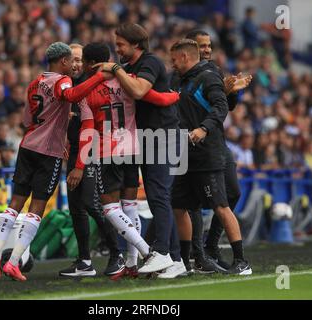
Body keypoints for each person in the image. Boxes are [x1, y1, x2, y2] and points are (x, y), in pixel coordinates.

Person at [0, 42, 112, 281]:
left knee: (15, 202)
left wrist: (60, 115)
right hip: (48, 151)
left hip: (27, 146)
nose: (73, 65)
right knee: (37, 207)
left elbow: (26, 119)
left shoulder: (34, 82)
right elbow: (71, 94)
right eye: (70, 60)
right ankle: (13, 263)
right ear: (63, 61)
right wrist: (99, 78)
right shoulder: (62, 80)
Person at [70, 42, 180, 279]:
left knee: (110, 208)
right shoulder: (127, 79)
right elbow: (156, 99)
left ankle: (147, 253)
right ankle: (131, 264)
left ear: (90, 64)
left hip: (107, 151)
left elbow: (87, 130)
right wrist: (174, 97)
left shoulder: (86, 91)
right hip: (132, 148)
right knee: (129, 206)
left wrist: (79, 165)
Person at [98, 23, 184, 278]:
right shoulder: (131, 67)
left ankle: (161, 252)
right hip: (147, 138)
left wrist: (115, 69)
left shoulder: (150, 62)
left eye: (121, 44)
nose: (117, 49)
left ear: (136, 44)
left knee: (158, 196)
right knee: (159, 197)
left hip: (163, 135)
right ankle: (176, 260)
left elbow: (137, 90)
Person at [169, 39, 252, 275]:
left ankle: (241, 261)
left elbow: (221, 107)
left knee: (221, 206)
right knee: (179, 207)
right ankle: (184, 263)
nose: (172, 63)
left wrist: (203, 129)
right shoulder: (177, 80)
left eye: (174, 59)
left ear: (185, 57)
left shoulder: (207, 77)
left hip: (207, 154)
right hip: (184, 156)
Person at [60, 43, 125, 277]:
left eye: (80, 59)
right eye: (73, 59)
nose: (77, 64)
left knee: (92, 203)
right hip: (77, 148)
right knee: (76, 207)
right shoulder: (66, 86)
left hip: (94, 149)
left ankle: (117, 254)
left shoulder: (92, 84)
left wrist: (79, 164)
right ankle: (84, 261)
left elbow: (89, 126)